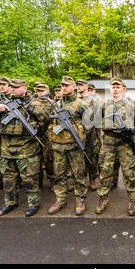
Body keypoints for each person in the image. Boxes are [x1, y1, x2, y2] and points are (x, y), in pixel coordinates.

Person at [0, 79, 49, 217]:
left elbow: (44, 121)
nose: (13, 89)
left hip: (26, 148)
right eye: (12, 87)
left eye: (16, 87)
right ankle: (10, 202)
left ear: (25, 88)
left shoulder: (33, 104)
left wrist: (33, 128)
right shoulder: (3, 102)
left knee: (29, 178)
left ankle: (33, 203)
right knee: (8, 178)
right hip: (6, 149)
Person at [95, 77, 135, 216]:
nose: (115, 89)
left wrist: (129, 130)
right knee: (105, 172)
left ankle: (133, 200)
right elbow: (97, 122)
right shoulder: (105, 104)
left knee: (129, 173)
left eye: (118, 87)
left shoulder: (131, 104)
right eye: (113, 87)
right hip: (109, 142)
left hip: (125, 144)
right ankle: (103, 198)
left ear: (124, 89)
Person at [47, 76, 88, 215]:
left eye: (66, 85)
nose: (63, 88)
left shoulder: (81, 104)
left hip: (74, 145)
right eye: (62, 85)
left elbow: (90, 124)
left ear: (74, 87)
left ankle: (80, 199)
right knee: (59, 174)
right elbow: (51, 121)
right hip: (58, 145)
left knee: (78, 174)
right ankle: (60, 199)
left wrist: (79, 131)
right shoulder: (56, 104)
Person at [76, 79, 102, 191]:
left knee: (90, 156)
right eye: (77, 85)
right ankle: (79, 180)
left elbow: (95, 117)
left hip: (90, 133)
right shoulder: (75, 100)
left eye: (81, 85)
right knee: (77, 158)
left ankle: (92, 179)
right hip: (76, 133)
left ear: (86, 87)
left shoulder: (93, 100)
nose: (78, 87)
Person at [34, 83, 55, 191]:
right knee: (36, 159)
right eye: (38, 91)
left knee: (49, 159)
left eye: (42, 91)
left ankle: (52, 181)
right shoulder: (32, 103)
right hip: (36, 134)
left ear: (47, 91)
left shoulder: (53, 103)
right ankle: (39, 182)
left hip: (48, 135)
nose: (39, 93)